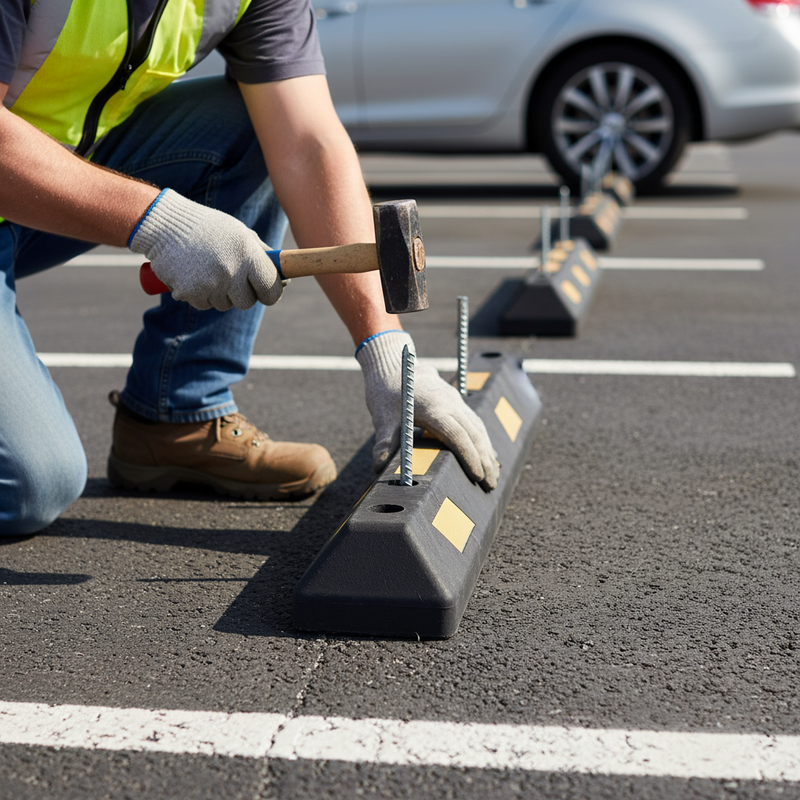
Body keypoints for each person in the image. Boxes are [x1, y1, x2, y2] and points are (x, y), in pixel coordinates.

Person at [0, 0, 499, 537]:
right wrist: (159, 221)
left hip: (38, 191)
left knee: (252, 126)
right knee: (32, 483)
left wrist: (385, 346)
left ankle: (177, 417)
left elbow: (306, 143)